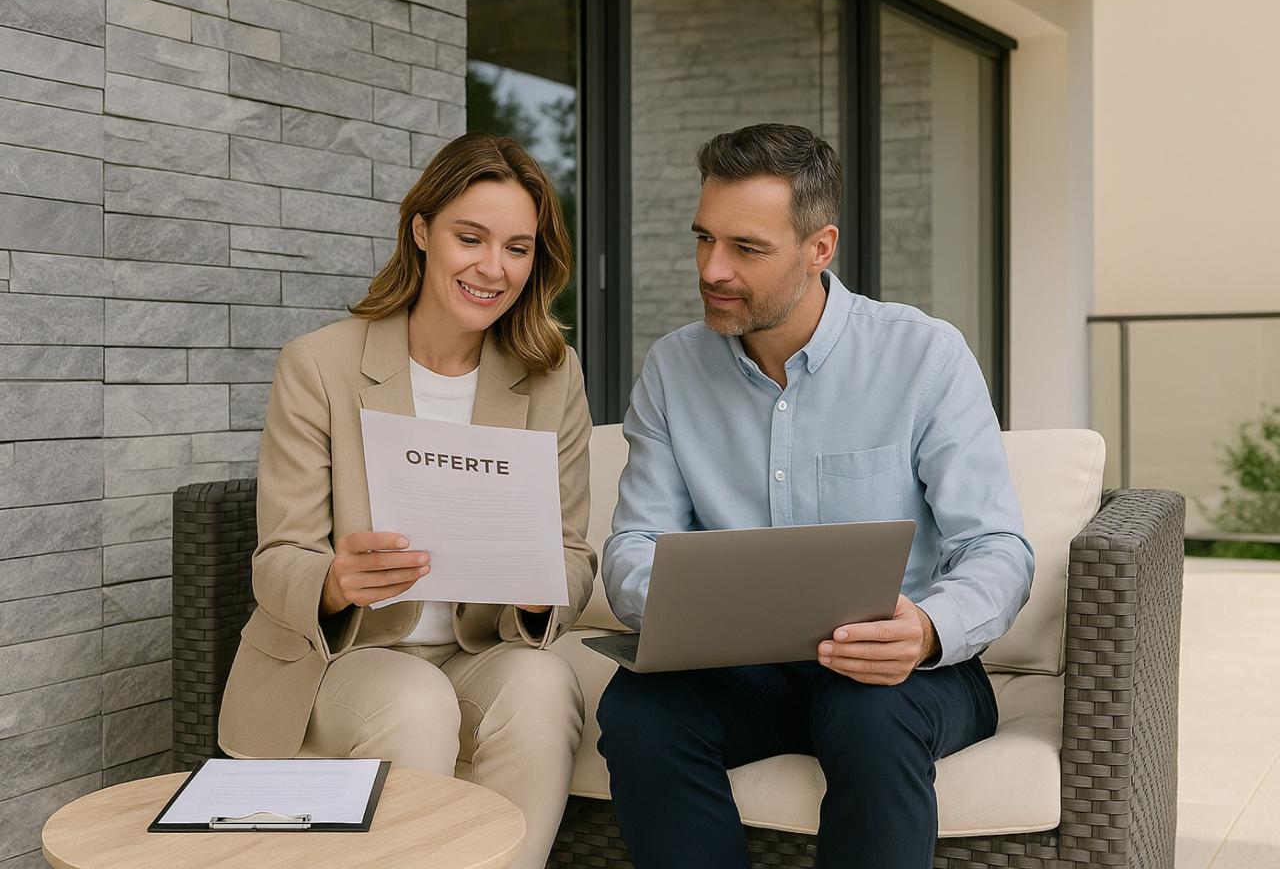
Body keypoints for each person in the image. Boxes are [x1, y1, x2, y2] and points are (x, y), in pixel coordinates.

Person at [596, 123, 1035, 869]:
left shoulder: (923, 355)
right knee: (638, 711)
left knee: (870, 713)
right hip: (742, 675)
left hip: (902, 676)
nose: (713, 268)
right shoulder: (672, 369)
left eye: (746, 248)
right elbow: (634, 545)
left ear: (819, 248)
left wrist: (926, 629)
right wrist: (674, 604)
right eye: (704, 239)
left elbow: (996, 548)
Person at [218, 132, 595, 869]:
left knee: (546, 681)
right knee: (416, 699)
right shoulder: (319, 366)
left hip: (475, 649)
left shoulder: (553, 376)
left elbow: (575, 554)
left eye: (517, 248)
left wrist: (542, 588)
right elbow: (277, 560)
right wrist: (331, 580)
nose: (494, 268)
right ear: (422, 231)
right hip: (342, 661)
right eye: (471, 238)